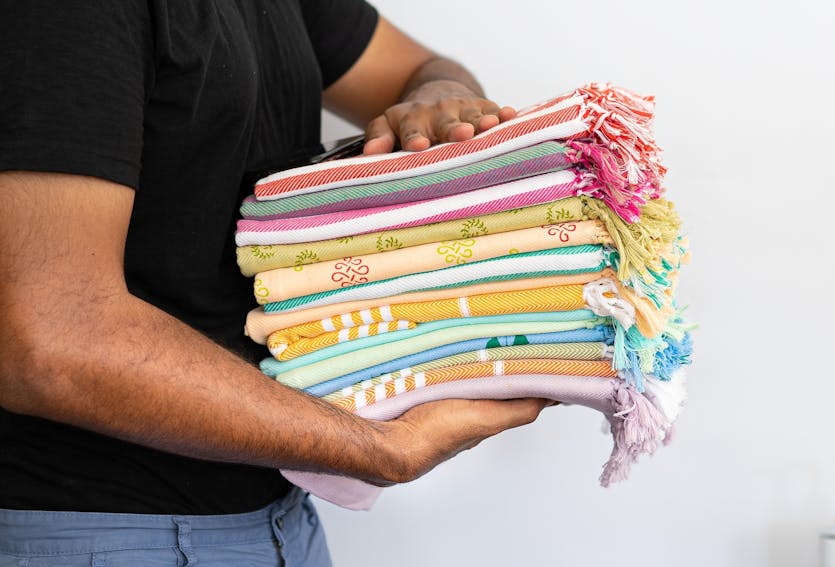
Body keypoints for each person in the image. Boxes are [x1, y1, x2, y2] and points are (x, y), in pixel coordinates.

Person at [0, 1, 551, 564]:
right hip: (102, 532)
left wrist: (440, 96)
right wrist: (385, 449)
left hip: (279, 521)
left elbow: (420, 70)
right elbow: (50, 340)